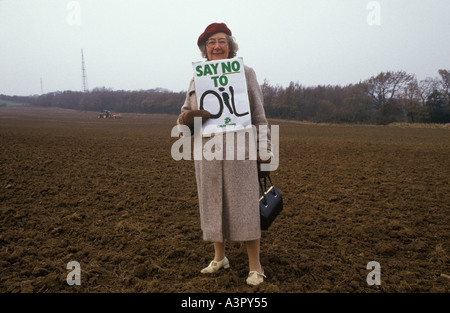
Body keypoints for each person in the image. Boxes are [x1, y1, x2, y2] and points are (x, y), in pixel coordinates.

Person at [177, 22, 272, 286]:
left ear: (230, 46)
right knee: (212, 205)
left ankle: (256, 266)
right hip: (207, 152)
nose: (217, 46)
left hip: (239, 151)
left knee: (245, 207)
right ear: (204, 49)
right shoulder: (197, 78)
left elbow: (260, 117)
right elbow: (183, 119)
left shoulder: (246, 73)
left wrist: (264, 153)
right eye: (211, 42)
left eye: (222, 41)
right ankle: (220, 257)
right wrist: (188, 118)